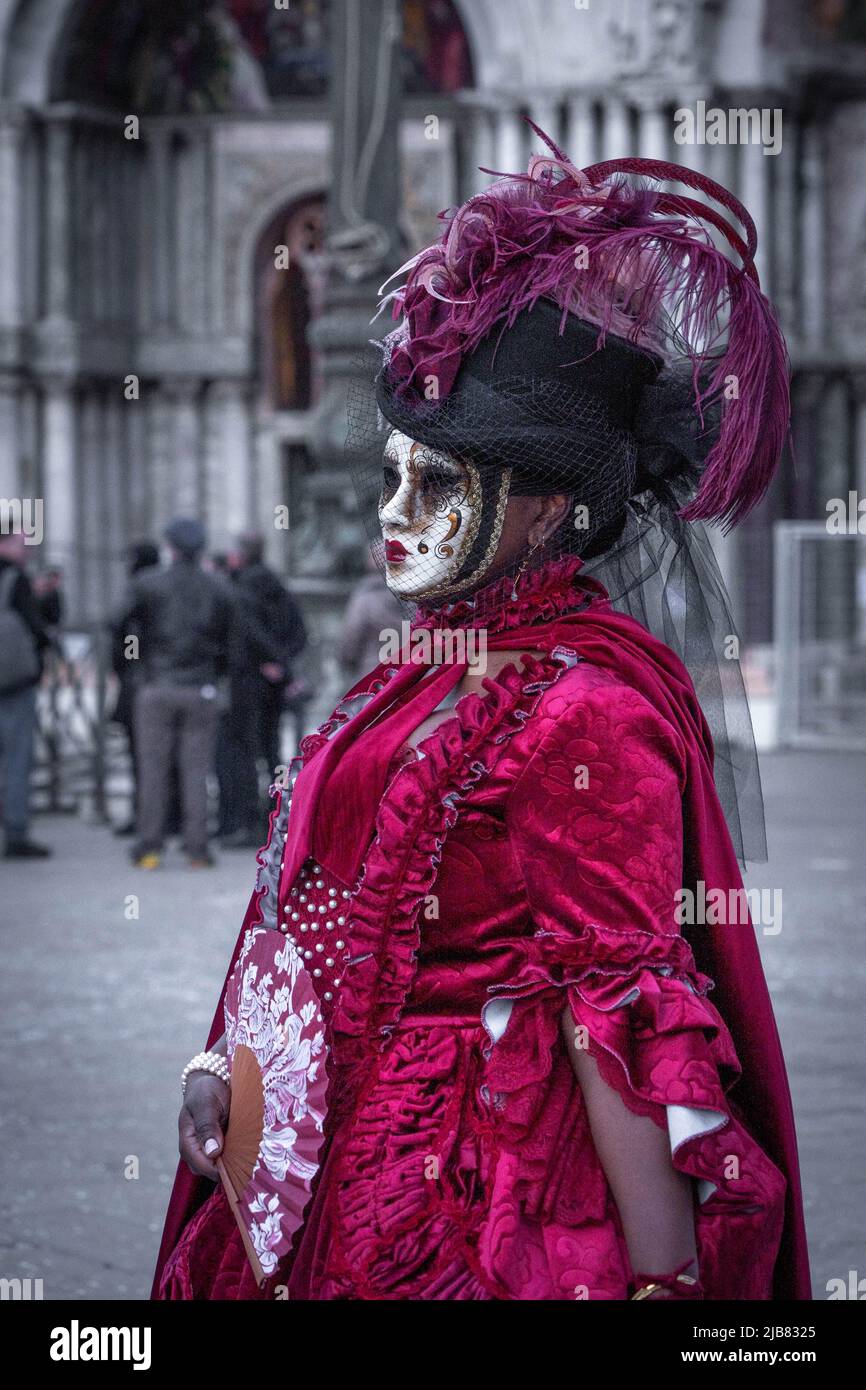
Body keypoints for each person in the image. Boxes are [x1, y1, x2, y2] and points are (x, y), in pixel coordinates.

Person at [153, 134, 811, 1300]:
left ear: (553, 507)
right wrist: (229, 1056)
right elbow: (311, 907)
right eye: (395, 475)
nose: (394, 516)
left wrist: (666, 1286)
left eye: (440, 485)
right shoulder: (421, 667)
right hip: (305, 1166)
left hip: (473, 1194)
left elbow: (615, 1022)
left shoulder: (590, 710)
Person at [117, 519, 235, 869]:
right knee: (196, 770)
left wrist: (133, 666)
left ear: (169, 547)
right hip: (200, 686)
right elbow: (232, 641)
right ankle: (196, 850)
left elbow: (119, 626)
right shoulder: (219, 588)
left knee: (153, 768)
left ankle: (150, 848)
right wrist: (216, 673)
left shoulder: (146, 584)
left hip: (157, 683)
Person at [217, 533, 307, 848]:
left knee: (242, 749)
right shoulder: (278, 587)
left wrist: (270, 661)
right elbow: (299, 630)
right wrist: (282, 665)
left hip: (248, 681)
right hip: (274, 682)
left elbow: (248, 633)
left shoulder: (238, 589)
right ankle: (276, 812)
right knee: (271, 749)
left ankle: (248, 820)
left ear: (239, 556)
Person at [0, 529, 52, 859]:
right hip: (14, 682)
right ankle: (16, 832)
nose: (28, 550)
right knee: (17, 757)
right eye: (22, 543)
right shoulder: (14, 579)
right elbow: (36, 626)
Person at [110, 541, 160, 837]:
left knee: (141, 754)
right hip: (156, 677)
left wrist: (127, 666)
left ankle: (144, 815)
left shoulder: (139, 591)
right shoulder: (166, 588)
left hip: (140, 682)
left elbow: (120, 629)